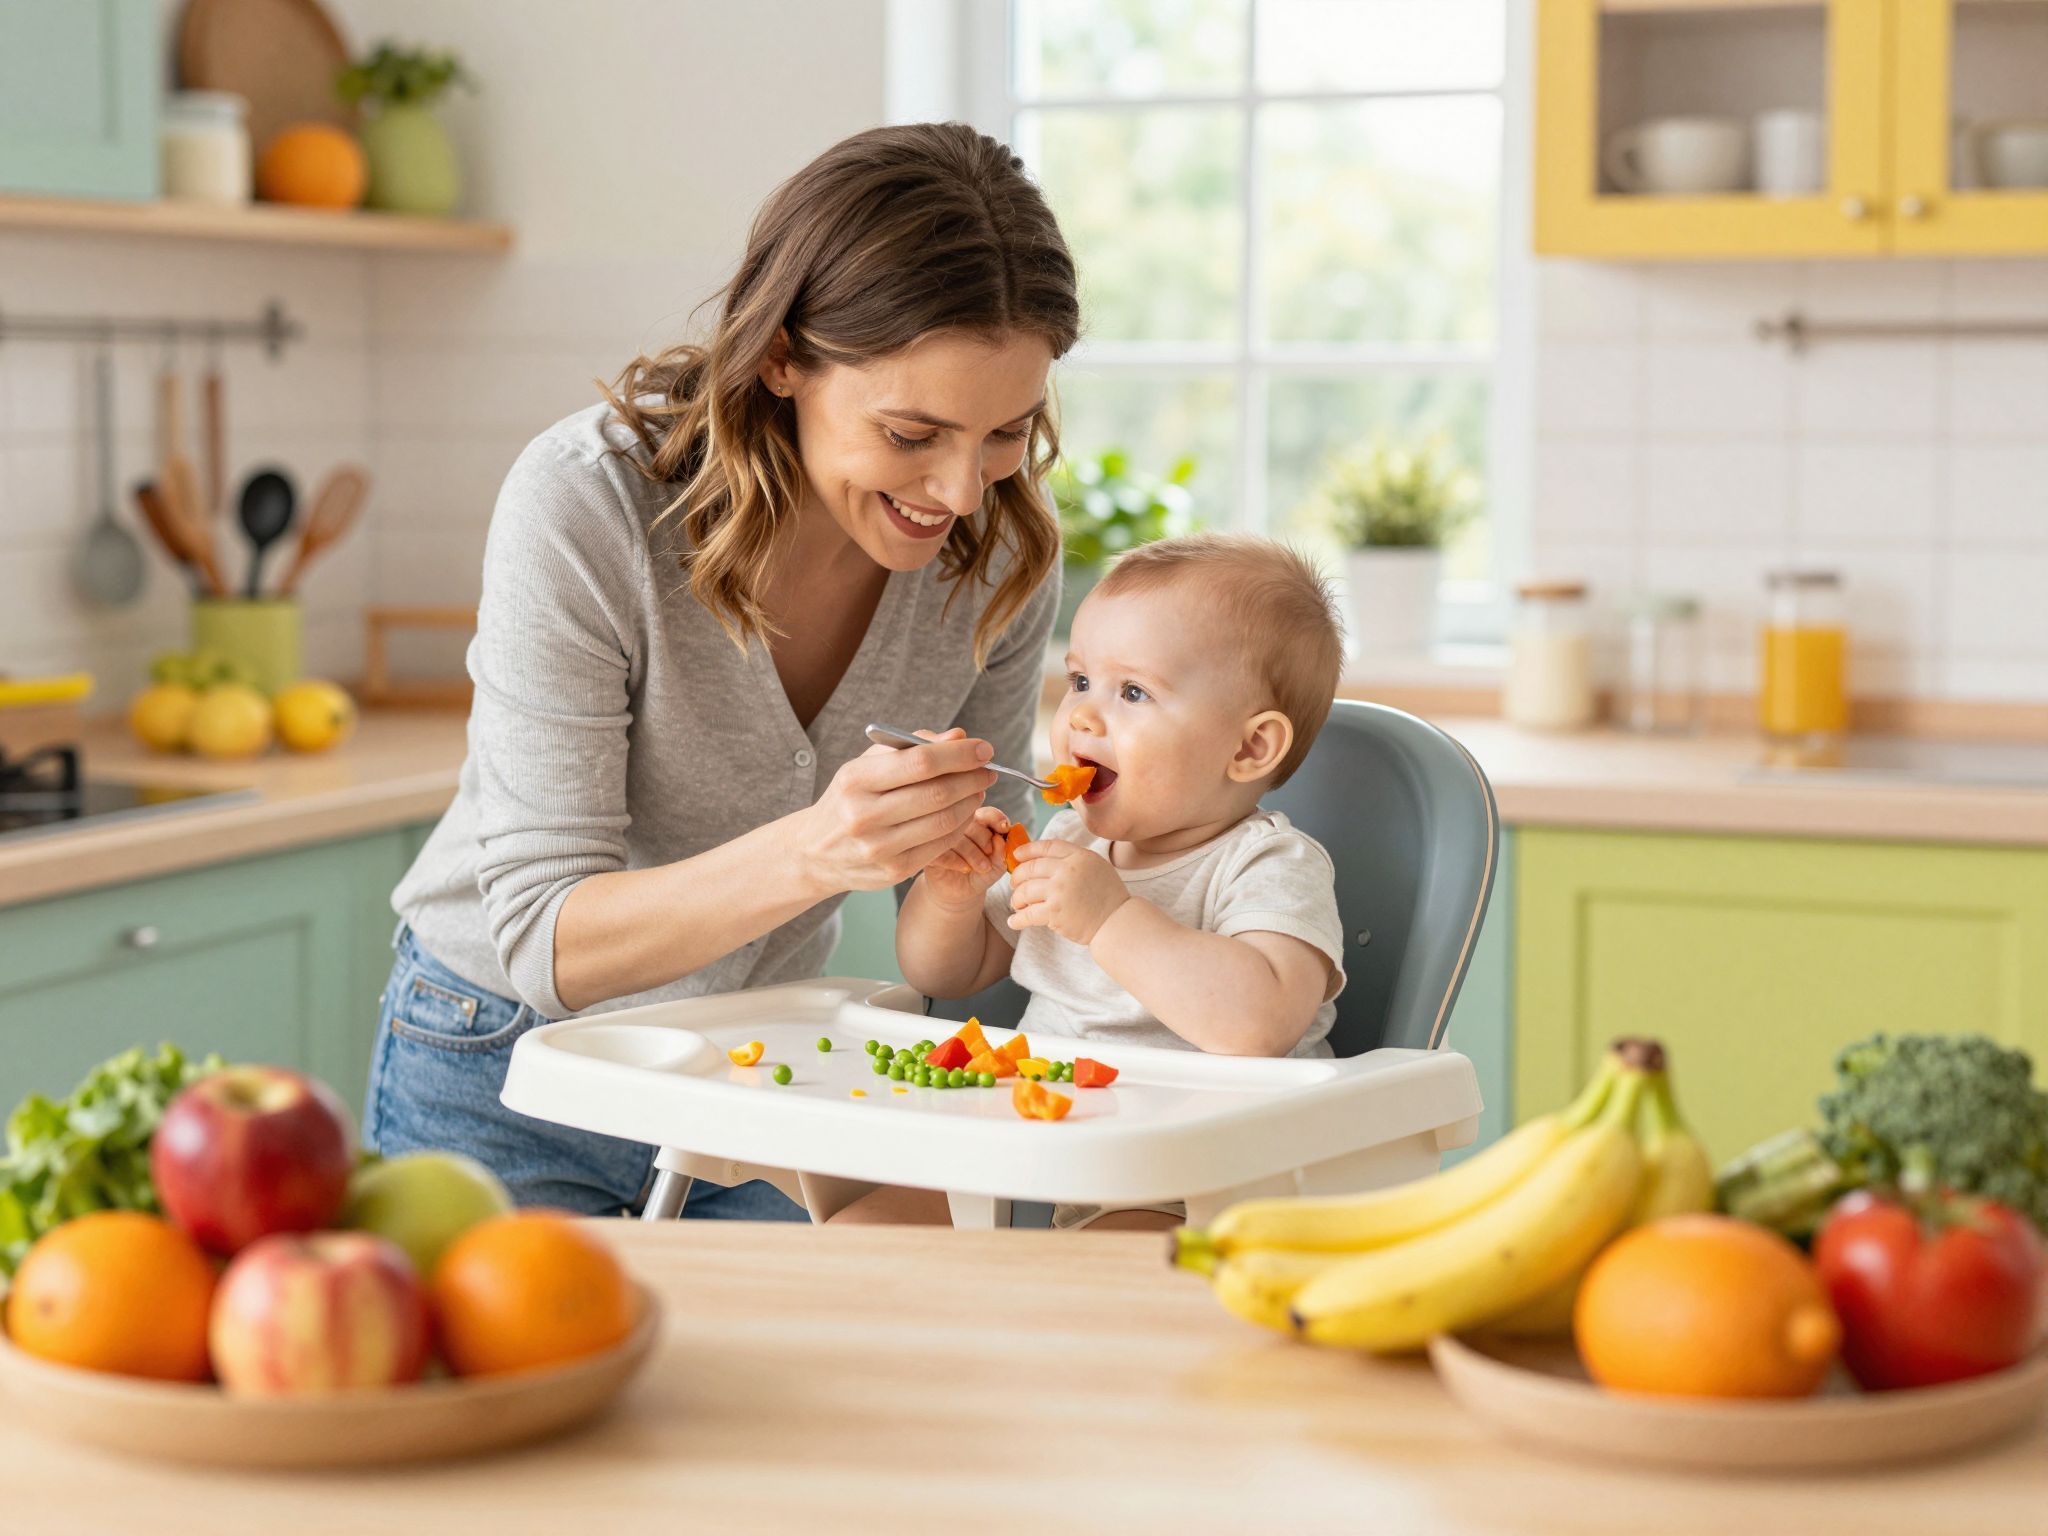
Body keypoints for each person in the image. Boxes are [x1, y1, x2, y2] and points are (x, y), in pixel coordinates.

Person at [364, 123, 1079, 1218]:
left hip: (757, 1075)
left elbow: (959, 941)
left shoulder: (995, 558)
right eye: (910, 433)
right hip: (503, 1068)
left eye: (1003, 435)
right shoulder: (590, 504)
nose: (961, 491)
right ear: (782, 356)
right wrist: (818, 850)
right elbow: (540, 937)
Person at [839, 533, 1349, 1229]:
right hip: (1038, 1145)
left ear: (1249, 747)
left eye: (1132, 692)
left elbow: (1255, 1024)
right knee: (861, 1231)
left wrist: (1110, 920)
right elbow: (946, 976)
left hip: (1193, 1184)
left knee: (1102, 1269)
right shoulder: (1072, 842)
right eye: (1080, 681)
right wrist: (950, 895)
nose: (1080, 713)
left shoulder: (1268, 865)